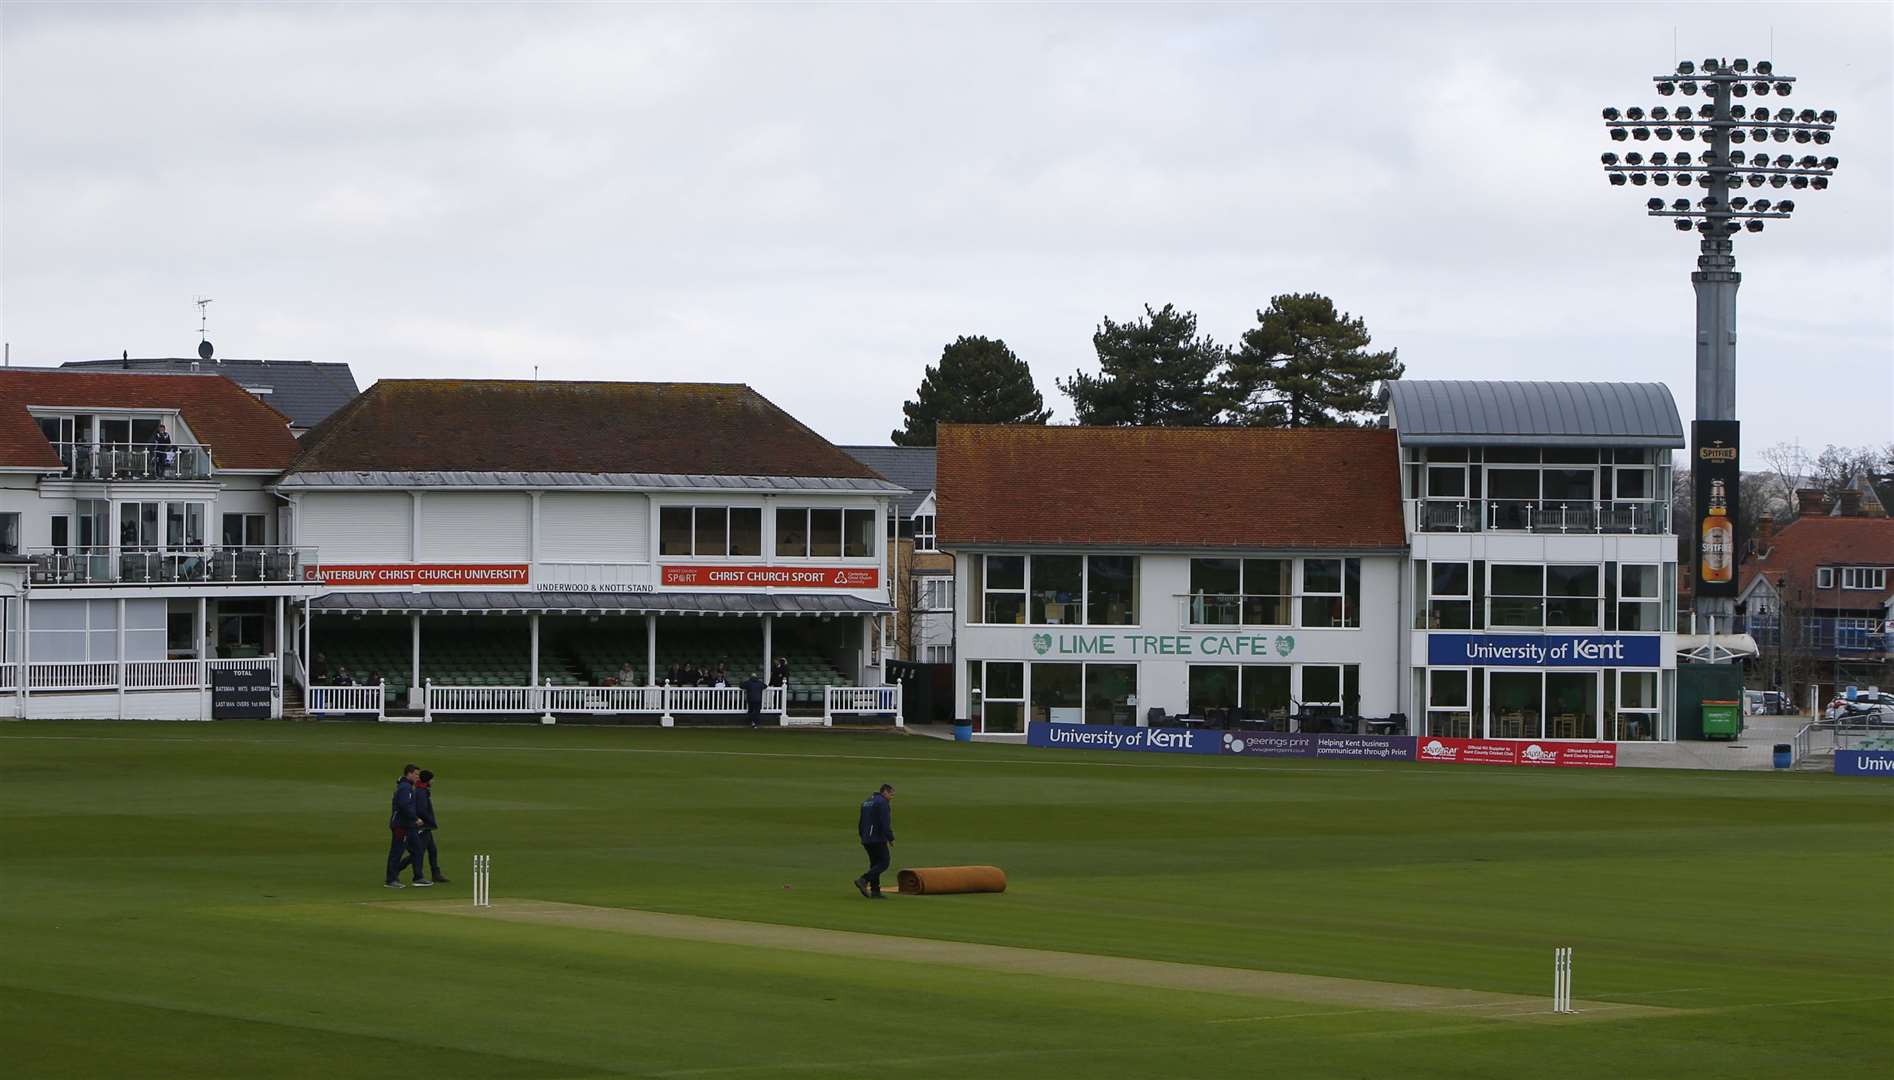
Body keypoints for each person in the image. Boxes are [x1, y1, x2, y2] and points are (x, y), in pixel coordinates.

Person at [385, 764, 432, 888]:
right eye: (416, 774)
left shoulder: (407, 787)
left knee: (418, 850)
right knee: (397, 852)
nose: (418, 777)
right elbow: (404, 806)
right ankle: (391, 880)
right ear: (409, 774)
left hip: (409, 825)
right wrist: (415, 818)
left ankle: (418, 877)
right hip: (401, 825)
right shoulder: (405, 788)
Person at [399, 769, 448, 884]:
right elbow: (421, 811)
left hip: (426, 826)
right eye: (432, 779)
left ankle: (435, 873)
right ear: (428, 780)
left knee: (432, 850)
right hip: (423, 826)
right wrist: (431, 821)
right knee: (418, 852)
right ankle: (397, 869)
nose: (433, 781)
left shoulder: (422, 790)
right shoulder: (421, 792)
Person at [854, 783, 895, 899]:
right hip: (877, 837)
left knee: (875, 863)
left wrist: (862, 835)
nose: (891, 798)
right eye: (891, 795)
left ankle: (875, 891)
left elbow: (861, 822)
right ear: (885, 792)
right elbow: (884, 822)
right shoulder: (882, 803)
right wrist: (890, 837)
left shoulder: (866, 802)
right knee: (884, 862)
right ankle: (864, 879)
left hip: (866, 838)